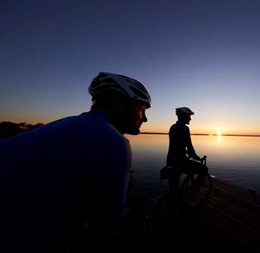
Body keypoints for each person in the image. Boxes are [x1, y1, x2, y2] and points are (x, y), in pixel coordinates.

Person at [0, 72, 152, 253]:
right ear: (117, 104)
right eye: (142, 109)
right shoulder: (114, 141)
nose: (144, 118)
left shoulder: (68, 125)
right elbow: (109, 217)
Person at [166, 107, 208, 203]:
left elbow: (178, 145)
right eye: (188, 116)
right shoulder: (185, 128)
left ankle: (170, 211)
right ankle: (192, 192)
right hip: (181, 162)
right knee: (204, 169)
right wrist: (195, 157)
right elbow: (189, 145)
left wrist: (188, 153)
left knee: (173, 189)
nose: (190, 119)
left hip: (170, 160)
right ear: (182, 116)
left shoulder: (172, 127)